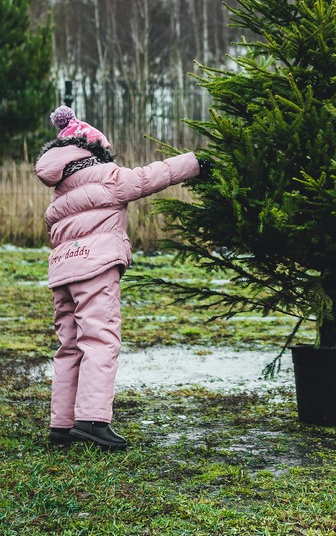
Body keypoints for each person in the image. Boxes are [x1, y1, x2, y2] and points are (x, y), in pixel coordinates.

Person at [35, 105, 209, 451]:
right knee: (100, 340)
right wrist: (196, 163)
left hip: (62, 272)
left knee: (69, 346)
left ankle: (62, 426)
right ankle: (93, 421)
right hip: (96, 268)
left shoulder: (59, 197)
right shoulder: (108, 178)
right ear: (94, 151)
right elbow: (149, 176)